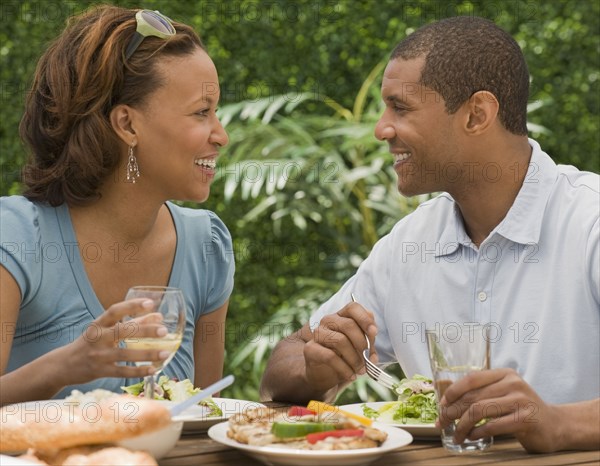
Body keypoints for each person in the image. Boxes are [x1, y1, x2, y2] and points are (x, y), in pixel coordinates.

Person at [260, 16, 599, 453]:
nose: (382, 129)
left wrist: (558, 423)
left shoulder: (588, 222)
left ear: (477, 114)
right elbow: (278, 376)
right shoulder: (408, 243)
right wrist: (317, 368)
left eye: (400, 108)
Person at [0, 5, 234, 405]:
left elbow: (202, 415)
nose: (221, 135)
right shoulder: (18, 237)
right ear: (127, 125)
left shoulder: (206, 245)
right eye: (201, 113)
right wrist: (68, 365)